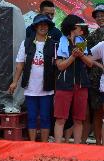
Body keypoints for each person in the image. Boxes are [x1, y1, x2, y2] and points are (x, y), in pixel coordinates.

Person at [10, 14, 56, 142]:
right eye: (40, 24)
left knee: (46, 117)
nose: (43, 27)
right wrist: (14, 82)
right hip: (30, 87)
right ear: (35, 27)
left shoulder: (53, 44)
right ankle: (32, 144)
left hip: (46, 88)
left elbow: (57, 66)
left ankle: (44, 144)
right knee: (31, 116)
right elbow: (20, 64)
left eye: (45, 25)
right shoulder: (26, 43)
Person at [54, 14, 94, 144]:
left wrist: (81, 55)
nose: (82, 30)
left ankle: (76, 148)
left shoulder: (82, 42)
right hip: (64, 84)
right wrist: (72, 56)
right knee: (60, 118)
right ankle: (57, 149)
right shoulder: (61, 42)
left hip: (81, 84)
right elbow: (60, 66)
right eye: (79, 26)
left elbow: (90, 63)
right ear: (72, 27)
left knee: (79, 119)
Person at [86, 4, 104, 142]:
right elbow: (88, 57)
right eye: (98, 16)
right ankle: (98, 144)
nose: (100, 18)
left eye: (103, 15)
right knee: (97, 113)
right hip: (96, 80)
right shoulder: (92, 36)